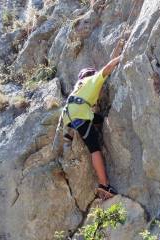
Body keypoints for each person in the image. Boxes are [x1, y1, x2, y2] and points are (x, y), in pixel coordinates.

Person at [62, 39, 125, 200]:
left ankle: (73, 133)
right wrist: (122, 56)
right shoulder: (92, 80)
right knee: (94, 148)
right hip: (80, 114)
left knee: (98, 119)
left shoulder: (79, 86)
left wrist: (67, 133)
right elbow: (108, 68)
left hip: (69, 116)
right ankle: (104, 185)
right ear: (91, 74)